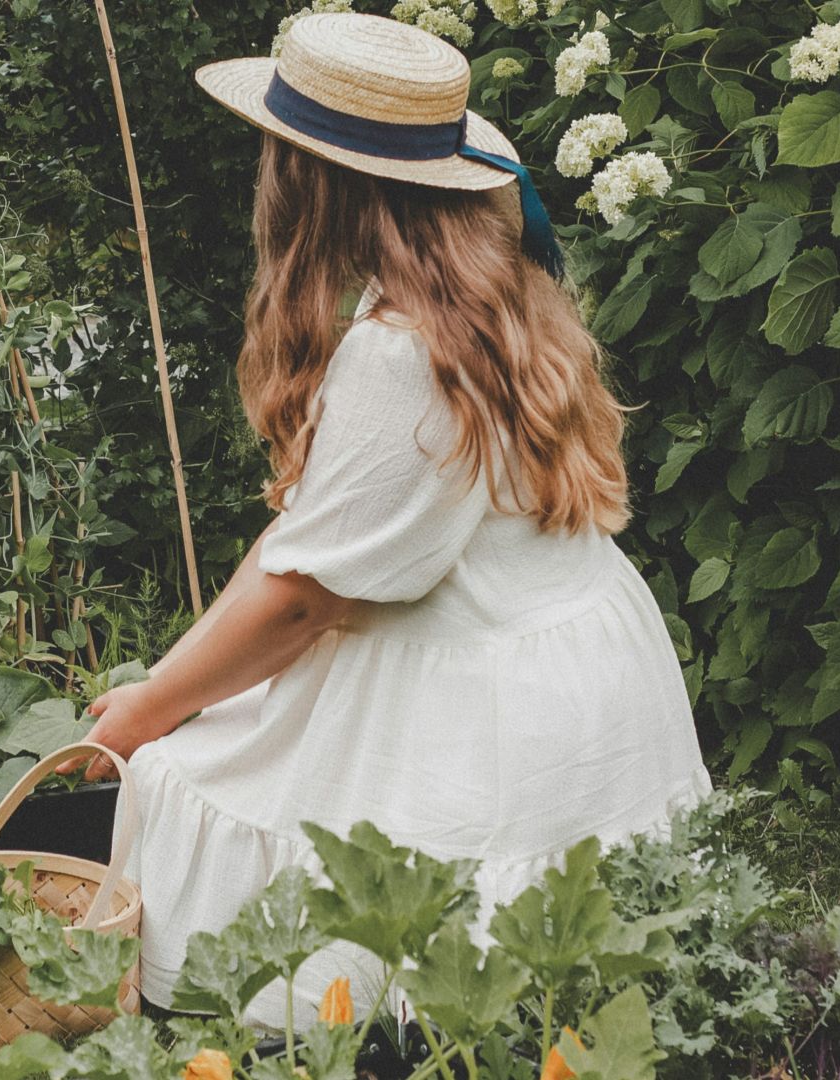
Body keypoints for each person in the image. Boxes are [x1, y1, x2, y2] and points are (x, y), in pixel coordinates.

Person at [73, 11, 709, 1024]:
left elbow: (304, 600)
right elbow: (307, 547)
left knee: (206, 767)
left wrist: (150, 719)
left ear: (307, 179)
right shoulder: (501, 296)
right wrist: (171, 677)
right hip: (578, 668)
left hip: (497, 701)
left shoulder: (398, 353)